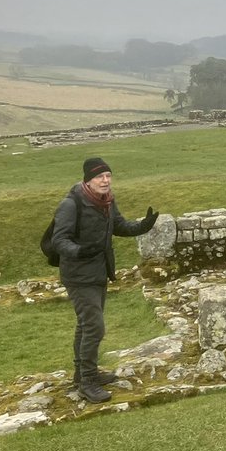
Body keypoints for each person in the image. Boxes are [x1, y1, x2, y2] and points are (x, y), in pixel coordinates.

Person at [51, 157, 159, 403]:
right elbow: (59, 240)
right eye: (100, 176)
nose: (106, 180)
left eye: (108, 176)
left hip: (99, 272)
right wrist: (79, 251)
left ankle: (82, 374)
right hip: (78, 276)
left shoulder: (107, 201)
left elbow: (118, 226)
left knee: (85, 324)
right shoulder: (71, 204)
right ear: (88, 179)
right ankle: (88, 383)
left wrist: (143, 226)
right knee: (94, 326)